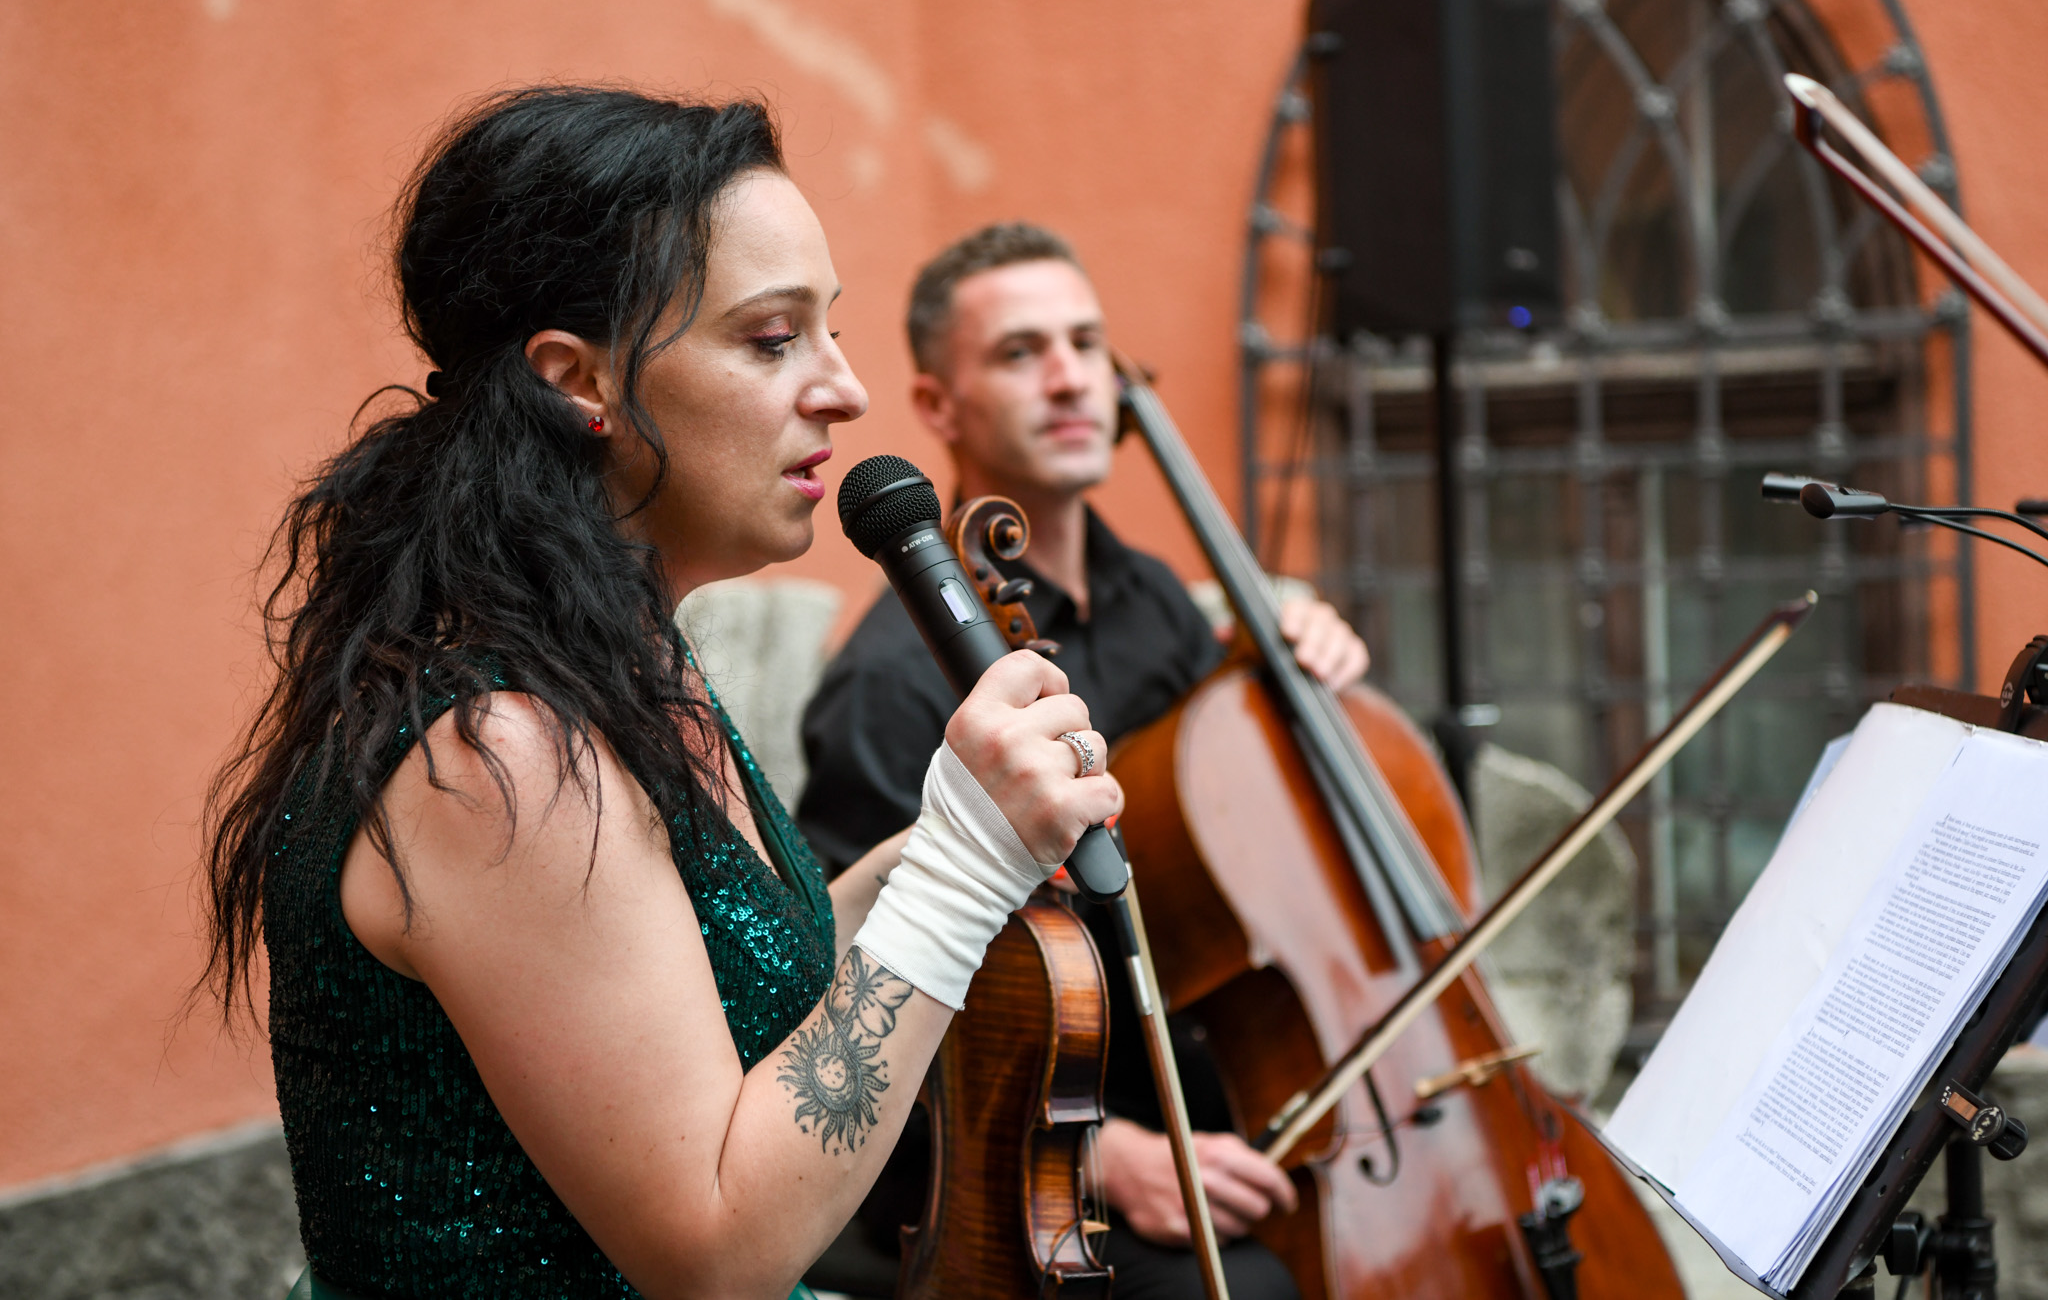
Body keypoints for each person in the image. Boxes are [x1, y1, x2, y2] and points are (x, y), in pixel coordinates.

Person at [200, 89, 1123, 1300]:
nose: (844, 389)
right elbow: (714, 1253)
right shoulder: (496, 752)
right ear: (576, 381)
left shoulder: (619, 659)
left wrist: (958, 848)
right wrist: (955, 868)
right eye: (771, 338)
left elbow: (721, 971)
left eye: (829, 328)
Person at [797, 223, 1371, 1300]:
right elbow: (851, 1011)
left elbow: (1223, 826)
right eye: (1020, 352)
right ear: (936, 406)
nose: (1070, 378)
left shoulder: (1159, 601)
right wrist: (1109, 1156)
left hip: (1211, 1095)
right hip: (1026, 1157)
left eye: (1085, 343)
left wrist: (1287, 672)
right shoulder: (887, 684)